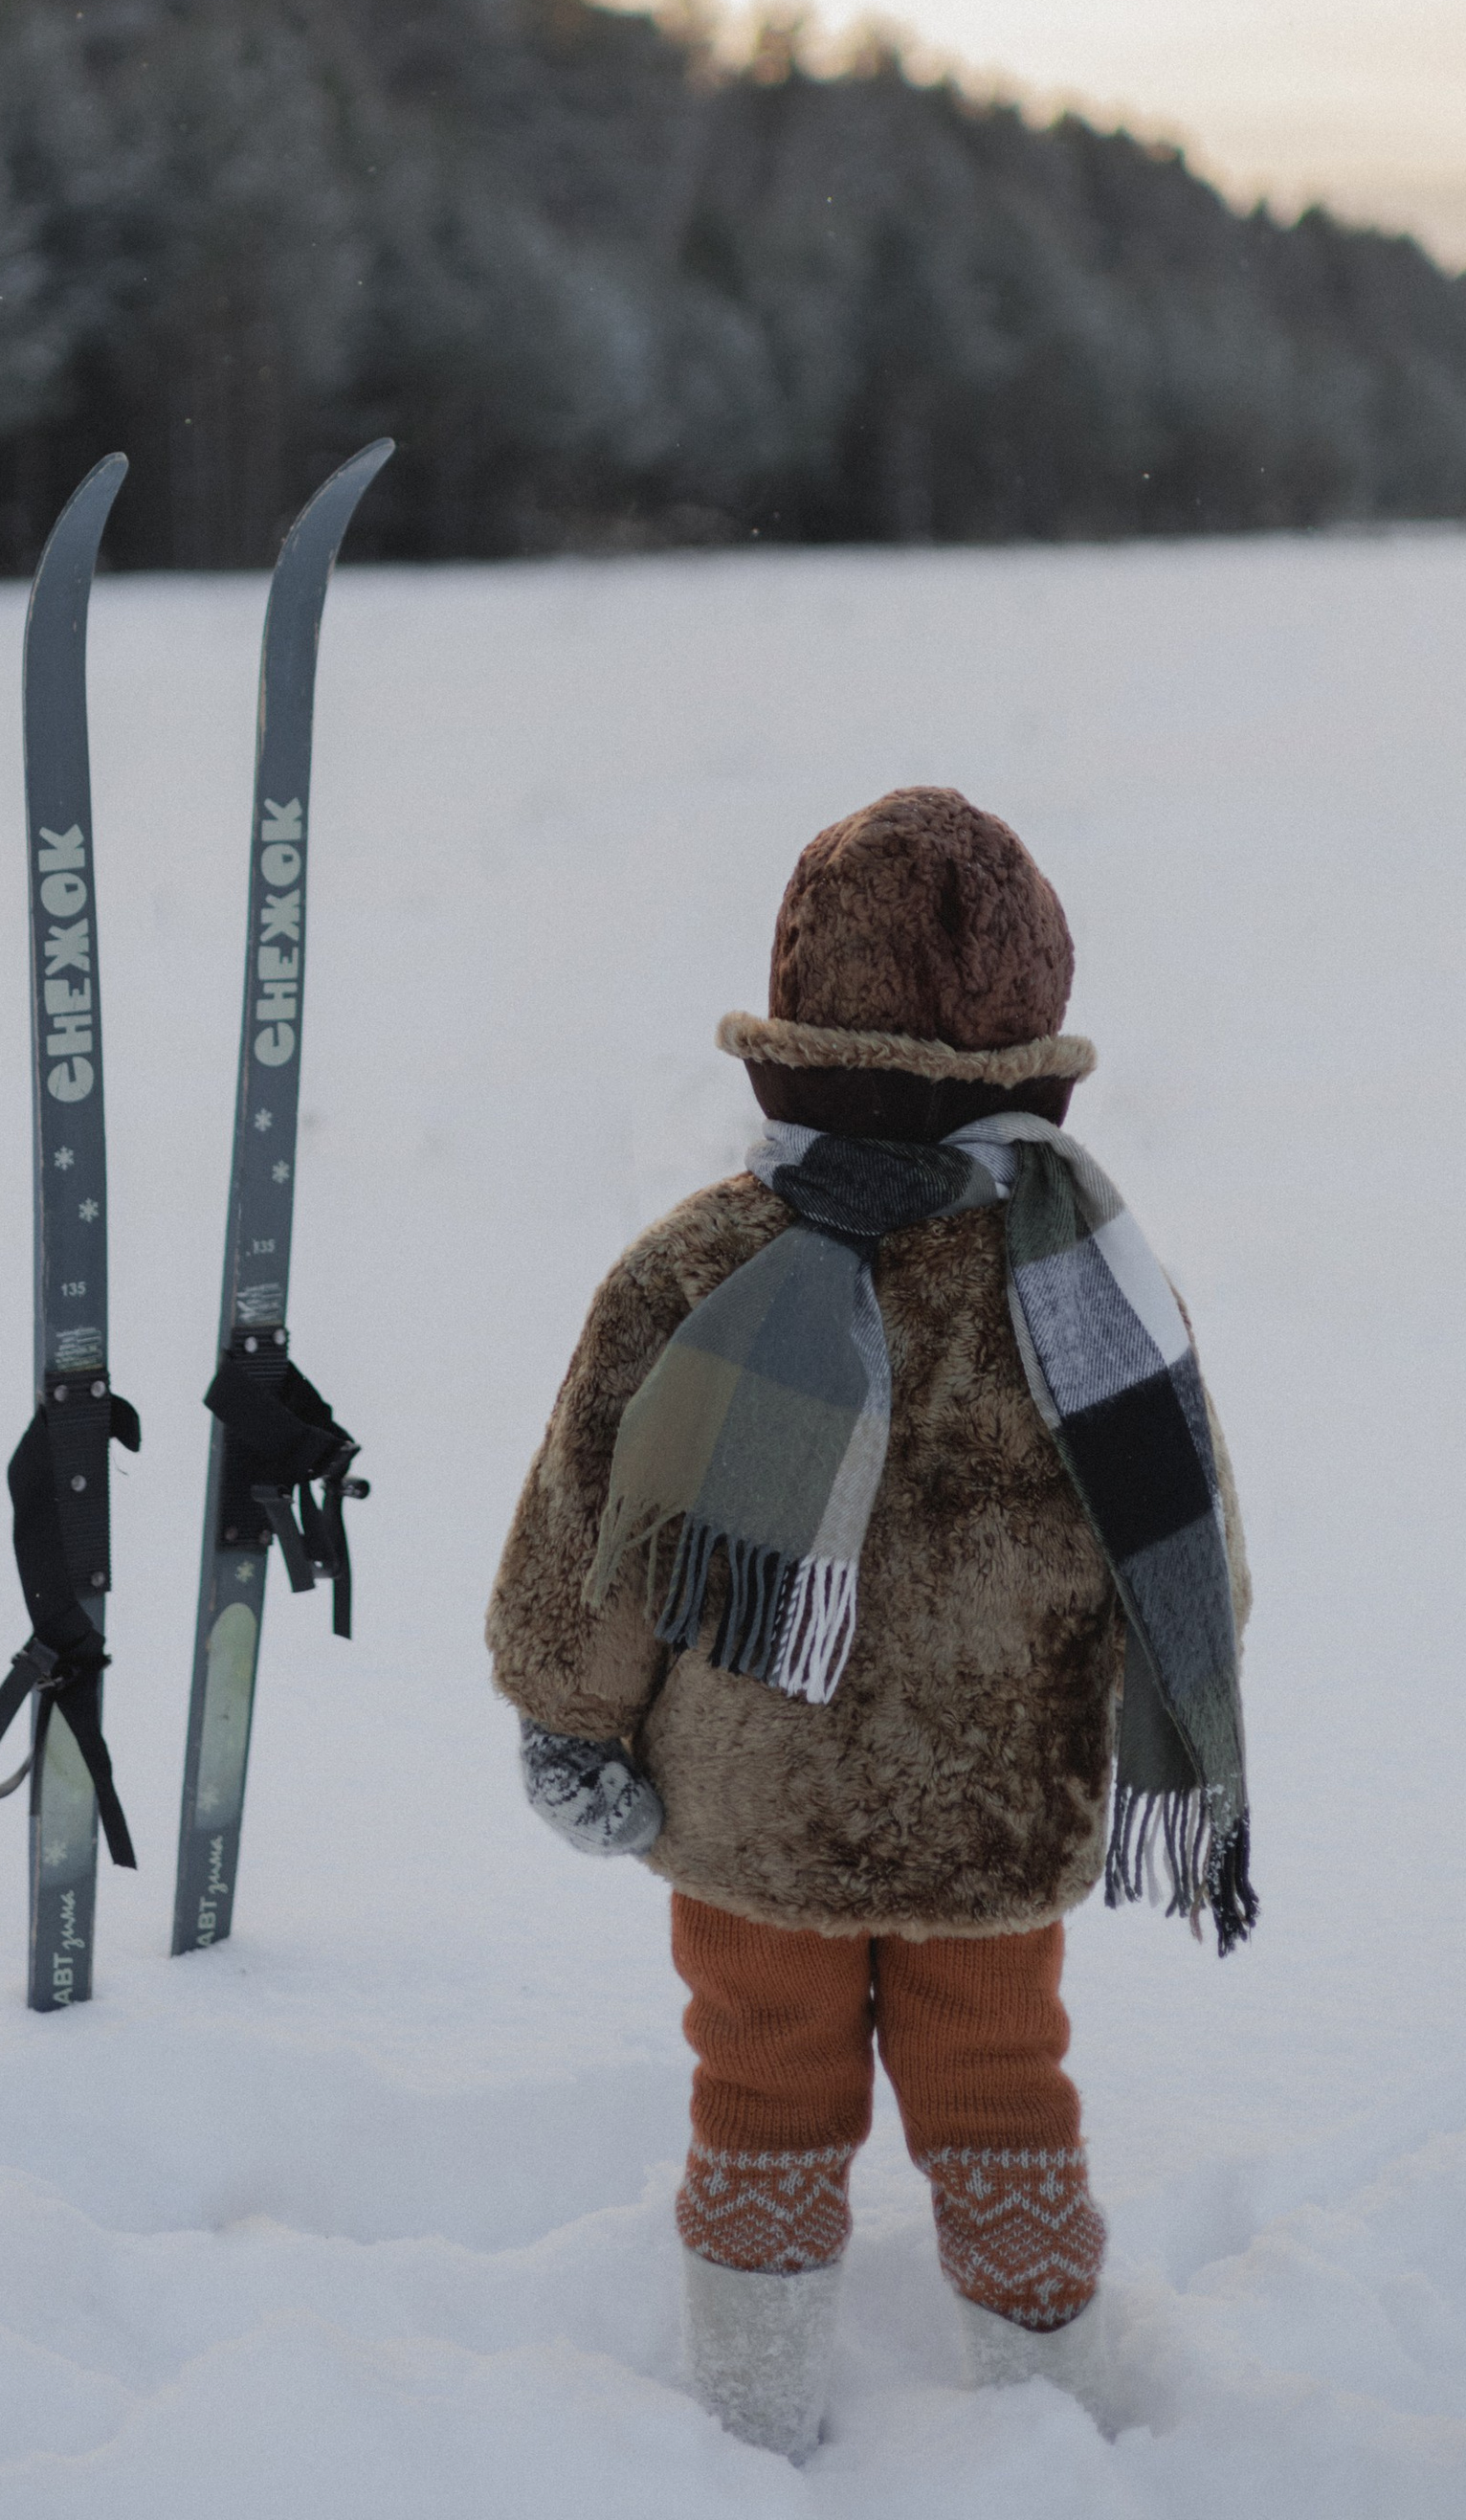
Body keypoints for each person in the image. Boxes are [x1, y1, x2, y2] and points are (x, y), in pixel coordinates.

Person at [486, 788, 1254, 2462]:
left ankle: (747, 2429)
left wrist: (571, 1711)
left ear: (795, 1031)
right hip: (993, 1818)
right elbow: (1193, 1549)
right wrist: (1163, 1712)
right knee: (1003, 2094)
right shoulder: (1095, 1287)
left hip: (754, 1818)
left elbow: (593, 1535)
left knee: (761, 2090)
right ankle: (1051, 2416)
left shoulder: (698, 1265)